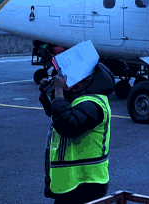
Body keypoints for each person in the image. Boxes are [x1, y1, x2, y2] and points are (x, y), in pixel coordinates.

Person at [38, 62, 115, 203]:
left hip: (86, 183)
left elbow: (67, 125)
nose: (70, 84)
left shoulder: (93, 104)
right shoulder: (78, 101)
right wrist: (47, 95)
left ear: (87, 82)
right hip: (70, 182)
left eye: (76, 81)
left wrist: (60, 92)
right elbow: (57, 115)